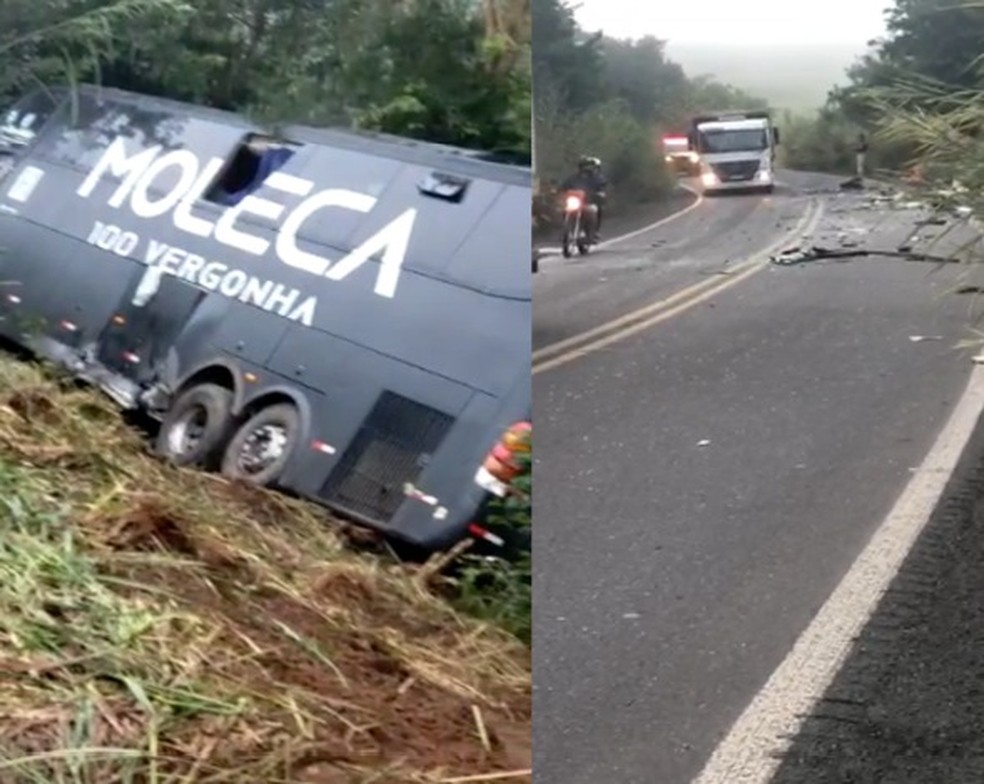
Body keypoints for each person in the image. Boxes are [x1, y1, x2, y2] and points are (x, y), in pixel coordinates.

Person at [562, 156, 608, 239]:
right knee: (564, 210)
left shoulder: (596, 177)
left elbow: (602, 184)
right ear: (580, 167)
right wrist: (560, 191)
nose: (586, 168)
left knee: (595, 210)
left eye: (588, 166)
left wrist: (600, 192)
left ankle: (594, 232)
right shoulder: (573, 177)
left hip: (589, 202)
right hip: (576, 202)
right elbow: (564, 186)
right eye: (584, 166)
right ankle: (567, 230)